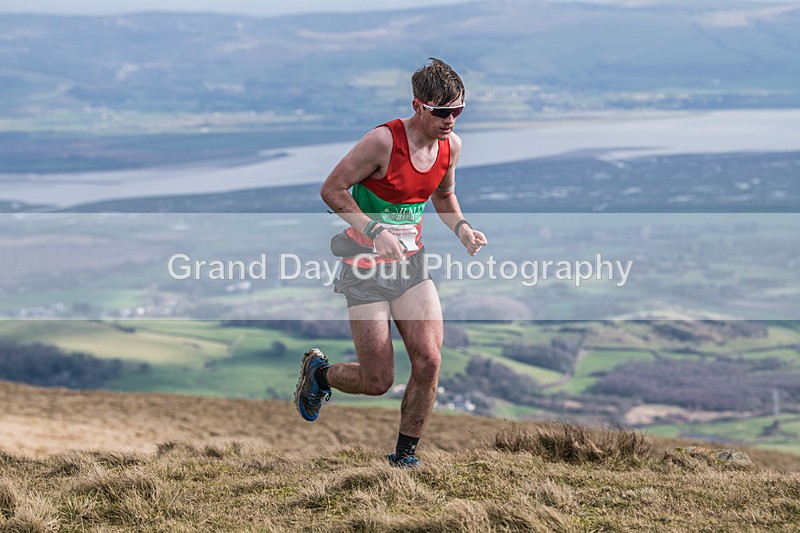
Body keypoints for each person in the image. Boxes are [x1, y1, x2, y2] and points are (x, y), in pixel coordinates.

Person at [294, 58, 488, 467]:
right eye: (442, 112)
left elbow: (442, 195)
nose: (451, 120)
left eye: (458, 111)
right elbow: (332, 190)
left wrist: (464, 229)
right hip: (363, 267)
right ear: (419, 105)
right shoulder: (383, 142)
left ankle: (404, 458)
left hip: (410, 265)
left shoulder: (450, 146)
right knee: (378, 380)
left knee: (430, 359)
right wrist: (375, 232)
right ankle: (319, 374)